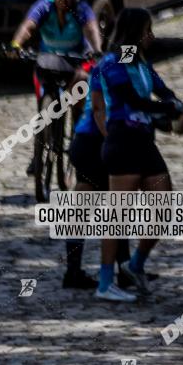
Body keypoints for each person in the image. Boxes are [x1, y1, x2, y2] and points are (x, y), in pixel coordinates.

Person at [97, 8, 183, 299]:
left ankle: (134, 264)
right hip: (123, 141)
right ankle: (104, 283)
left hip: (144, 142)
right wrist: (172, 108)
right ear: (135, 33)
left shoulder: (140, 61)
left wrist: (177, 103)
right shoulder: (114, 61)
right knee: (118, 216)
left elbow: (163, 91)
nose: (151, 36)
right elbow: (132, 99)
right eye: (147, 30)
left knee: (164, 208)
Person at [7, 0, 103, 174]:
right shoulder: (43, 5)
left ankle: (79, 139)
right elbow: (28, 26)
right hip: (48, 59)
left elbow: (92, 29)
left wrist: (97, 50)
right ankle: (38, 154)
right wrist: (16, 45)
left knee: (80, 86)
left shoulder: (82, 9)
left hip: (76, 59)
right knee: (42, 104)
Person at [61, 60, 133, 292]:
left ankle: (74, 272)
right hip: (96, 142)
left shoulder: (102, 64)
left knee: (85, 206)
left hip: (83, 140)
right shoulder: (118, 66)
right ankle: (123, 271)